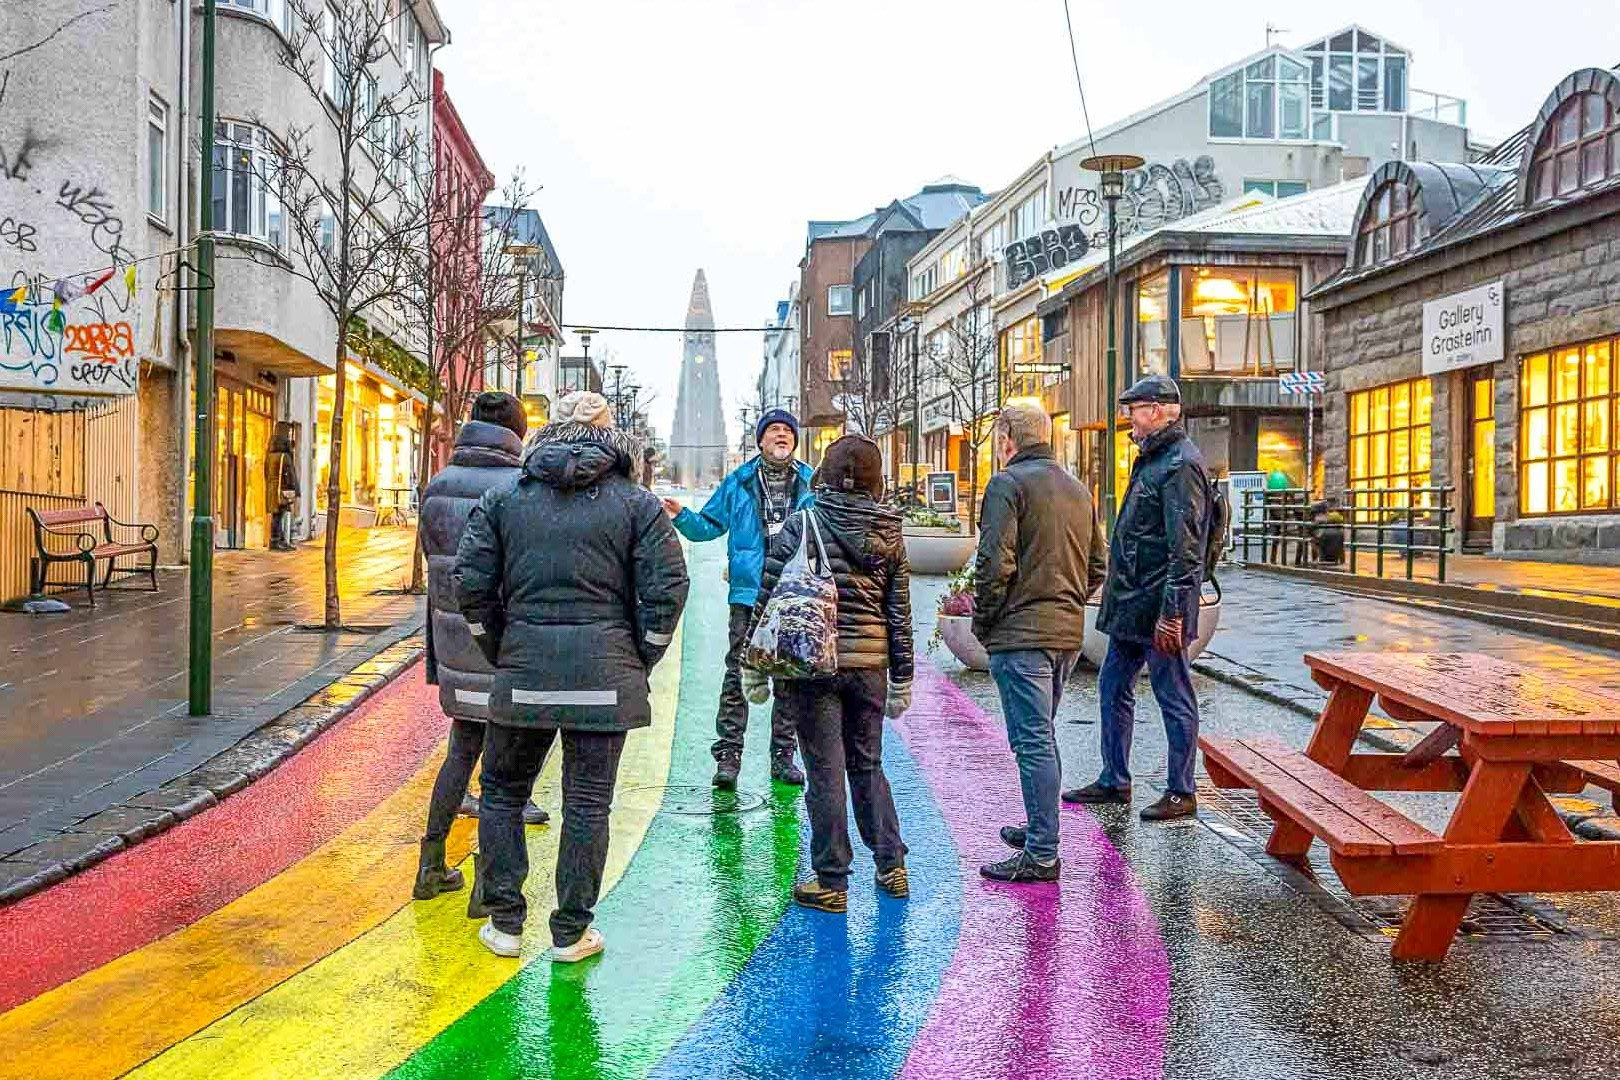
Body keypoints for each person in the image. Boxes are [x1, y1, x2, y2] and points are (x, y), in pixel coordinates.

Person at [455, 392, 688, 961]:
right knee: (588, 803)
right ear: (612, 437)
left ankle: (506, 923)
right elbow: (668, 588)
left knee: (504, 793)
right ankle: (571, 931)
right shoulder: (637, 505)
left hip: (524, 670)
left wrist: (499, 646)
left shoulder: (504, 498)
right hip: (604, 677)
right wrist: (640, 655)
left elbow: (471, 583)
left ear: (547, 432)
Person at [747, 434, 912, 912]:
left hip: (812, 664)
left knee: (824, 770)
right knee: (868, 764)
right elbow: (898, 613)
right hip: (870, 667)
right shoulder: (891, 533)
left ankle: (832, 880)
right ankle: (891, 864)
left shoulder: (804, 522)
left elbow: (769, 596)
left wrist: (751, 666)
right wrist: (902, 676)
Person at [412, 392, 550, 902]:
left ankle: (431, 864)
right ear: (517, 434)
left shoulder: (439, 484)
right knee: (504, 770)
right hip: (502, 642)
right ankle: (487, 884)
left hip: (452, 640)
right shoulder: (519, 487)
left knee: (461, 751)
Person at [970, 401, 1108, 884]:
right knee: (1039, 736)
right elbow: (1097, 567)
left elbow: (993, 565)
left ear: (1007, 437)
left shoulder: (1007, 485)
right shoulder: (1076, 489)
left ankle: (1043, 852)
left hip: (1021, 632)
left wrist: (985, 621)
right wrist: (1064, 602)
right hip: (1064, 633)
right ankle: (1039, 828)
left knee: (1032, 742)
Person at [1066, 375, 1212, 822]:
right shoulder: (1155, 459)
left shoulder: (1180, 465)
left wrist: (1171, 614)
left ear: (1159, 410)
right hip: (1135, 602)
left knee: (1173, 692)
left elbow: (1186, 549)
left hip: (1158, 607)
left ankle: (1181, 790)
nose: (1129, 419)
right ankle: (1114, 778)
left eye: (1135, 409)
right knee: (1113, 685)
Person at [663, 408, 813, 789]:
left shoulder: (811, 483)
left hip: (793, 593)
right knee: (738, 675)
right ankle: (728, 757)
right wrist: (682, 516)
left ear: (794, 441)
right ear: (760, 440)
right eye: (773, 431)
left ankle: (783, 756)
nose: (781, 436)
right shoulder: (740, 481)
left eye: (787, 432)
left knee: (790, 677)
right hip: (748, 594)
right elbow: (709, 526)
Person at [265, 424, 301, 551]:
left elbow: (266, 473)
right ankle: (276, 540)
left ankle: (278, 540)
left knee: (277, 515)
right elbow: (290, 474)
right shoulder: (284, 456)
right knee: (278, 515)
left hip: (272, 489)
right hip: (282, 489)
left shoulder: (270, 454)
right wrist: (295, 490)